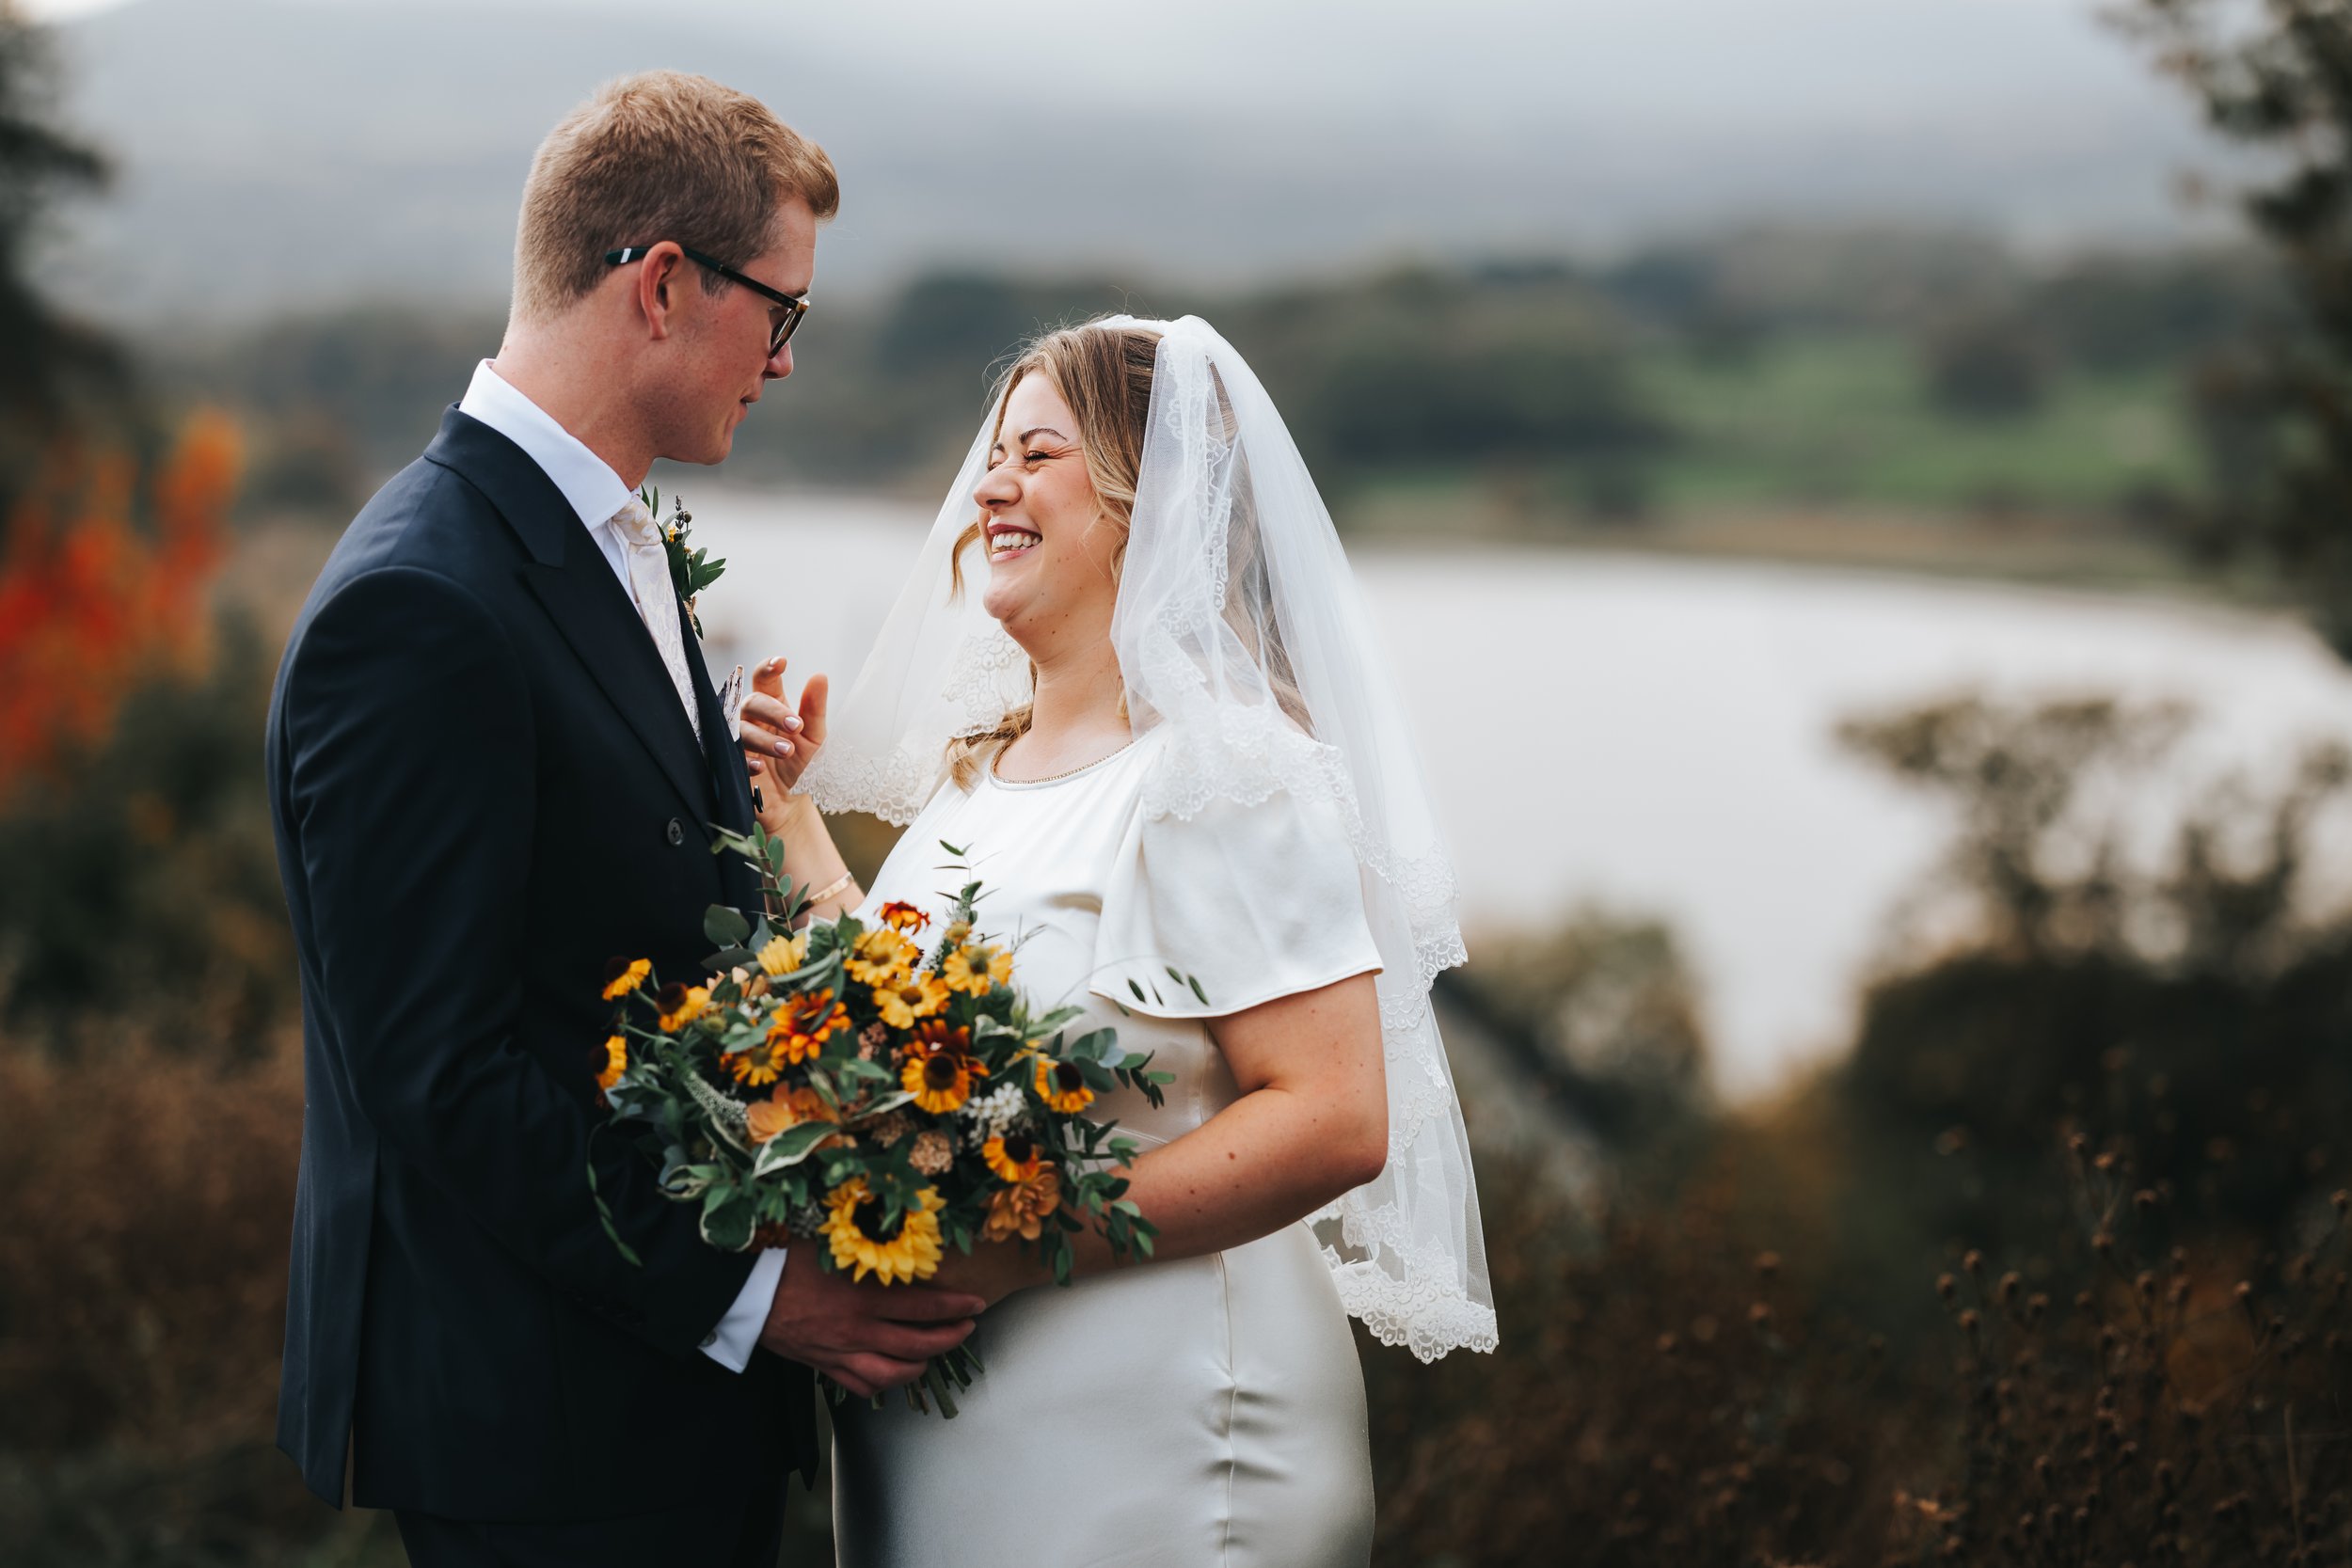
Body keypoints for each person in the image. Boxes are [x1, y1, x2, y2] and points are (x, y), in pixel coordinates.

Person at [262, 71, 983, 1568]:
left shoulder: (604, 539)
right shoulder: (423, 602)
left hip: (646, 1414)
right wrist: (764, 1293)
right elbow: (439, 1071)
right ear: (663, 284)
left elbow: (620, 928)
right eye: (781, 313)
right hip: (546, 1436)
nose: (783, 365)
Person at [756, 315, 1497, 1566]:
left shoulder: (1225, 773)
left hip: (1159, 1442)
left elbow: (1332, 1114)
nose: (991, 482)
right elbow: (902, 1021)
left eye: (1038, 454)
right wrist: (785, 822)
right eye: (994, 453)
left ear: (1148, 503)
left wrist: (1010, 1248)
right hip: (947, 1449)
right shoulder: (978, 783)